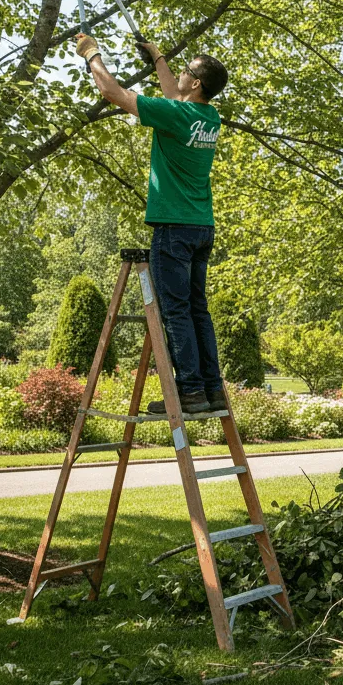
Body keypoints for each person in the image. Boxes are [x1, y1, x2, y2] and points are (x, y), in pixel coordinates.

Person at [76, 33, 229, 415]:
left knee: (175, 311)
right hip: (200, 227)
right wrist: (158, 58)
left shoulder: (178, 115)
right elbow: (176, 98)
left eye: (187, 70)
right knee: (197, 310)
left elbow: (113, 92)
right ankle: (211, 389)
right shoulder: (208, 117)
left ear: (195, 83)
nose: (180, 71)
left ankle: (190, 392)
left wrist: (91, 54)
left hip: (174, 229)